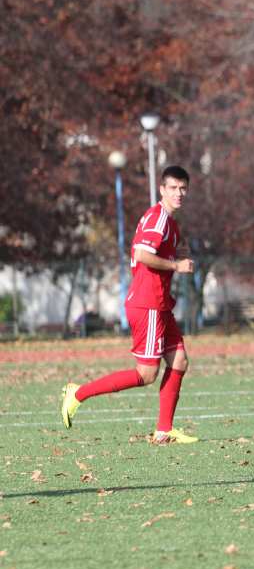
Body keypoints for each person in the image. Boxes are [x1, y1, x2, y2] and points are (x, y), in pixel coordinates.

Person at [60, 166, 197, 444]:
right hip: (147, 304)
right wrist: (175, 265)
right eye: (173, 187)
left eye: (183, 188)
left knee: (179, 360)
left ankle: (164, 430)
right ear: (162, 189)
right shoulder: (158, 218)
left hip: (159, 304)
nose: (179, 193)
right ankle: (78, 393)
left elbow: (159, 251)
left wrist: (177, 256)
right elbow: (142, 254)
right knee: (146, 374)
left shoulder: (170, 223)